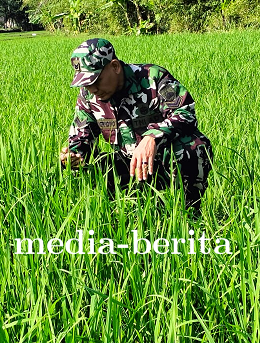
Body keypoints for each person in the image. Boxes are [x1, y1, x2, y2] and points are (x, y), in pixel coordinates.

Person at [60, 38, 213, 215]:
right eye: (86, 83)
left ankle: (188, 212)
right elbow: (81, 136)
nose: (92, 89)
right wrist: (74, 155)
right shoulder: (88, 96)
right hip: (130, 164)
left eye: (96, 80)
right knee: (91, 167)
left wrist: (153, 136)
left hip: (163, 160)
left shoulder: (152, 77)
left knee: (192, 146)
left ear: (115, 66)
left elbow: (185, 112)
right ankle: (117, 216)